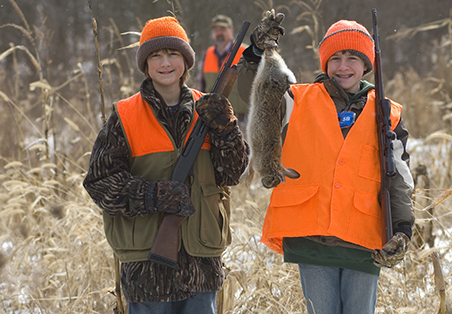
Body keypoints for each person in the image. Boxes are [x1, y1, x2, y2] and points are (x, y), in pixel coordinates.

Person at [237, 10, 415, 314]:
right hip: (312, 237)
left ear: (366, 66)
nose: (343, 67)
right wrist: (257, 54)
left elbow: (397, 176)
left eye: (352, 58)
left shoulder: (385, 113)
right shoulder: (298, 99)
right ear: (325, 63)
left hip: (363, 238)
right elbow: (253, 96)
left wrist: (402, 228)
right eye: (335, 58)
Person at [83, 16, 248, 314]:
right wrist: (151, 195)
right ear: (145, 65)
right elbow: (99, 183)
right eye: (155, 55)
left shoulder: (210, 109)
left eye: (173, 54)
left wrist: (226, 128)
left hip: (201, 264)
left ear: (186, 61)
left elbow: (233, 173)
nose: (165, 63)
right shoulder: (125, 116)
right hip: (147, 268)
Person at [198, 14, 249, 129]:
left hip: (241, 119)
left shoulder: (245, 52)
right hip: (213, 119)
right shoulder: (208, 54)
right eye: (216, 30)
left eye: (223, 29)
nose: (219, 33)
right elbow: (202, 86)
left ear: (231, 31)